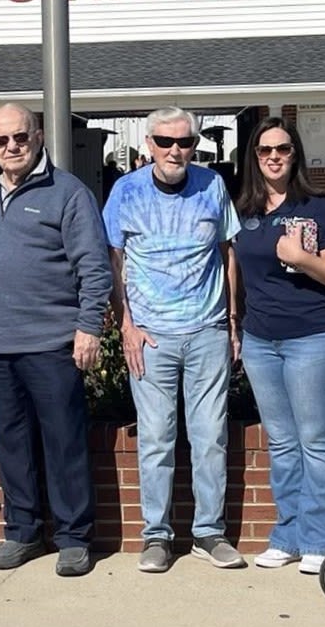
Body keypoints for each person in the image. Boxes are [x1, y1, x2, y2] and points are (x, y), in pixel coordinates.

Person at [0, 103, 110, 578]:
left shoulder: (68, 193)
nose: (12, 148)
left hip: (51, 342)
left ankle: (72, 538)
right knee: (12, 443)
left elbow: (94, 266)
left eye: (20, 137)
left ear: (39, 136)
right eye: (1, 140)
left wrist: (88, 327)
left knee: (63, 441)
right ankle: (23, 532)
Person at [104, 106, 245, 573]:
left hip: (206, 331)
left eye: (184, 142)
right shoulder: (125, 192)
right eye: (165, 142)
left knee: (210, 439)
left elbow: (228, 254)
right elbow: (114, 261)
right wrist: (125, 322)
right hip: (151, 337)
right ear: (149, 145)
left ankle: (209, 532)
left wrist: (231, 319)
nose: (175, 150)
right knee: (157, 439)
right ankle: (157, 536)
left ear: (194, 145)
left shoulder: (213, 186)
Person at [230, 118, 325, 574]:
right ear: (255, 157)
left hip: (313, 339)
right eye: (265, 151)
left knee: (316, 442)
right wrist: (235, 325)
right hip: (262, 341)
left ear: (295, 153)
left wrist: (304, 258)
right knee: (282, 443)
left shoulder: (317, 207)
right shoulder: (244, 211)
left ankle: (321, 538)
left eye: (283, 149)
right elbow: (235, 272)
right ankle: (289, 534)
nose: (274, 157)